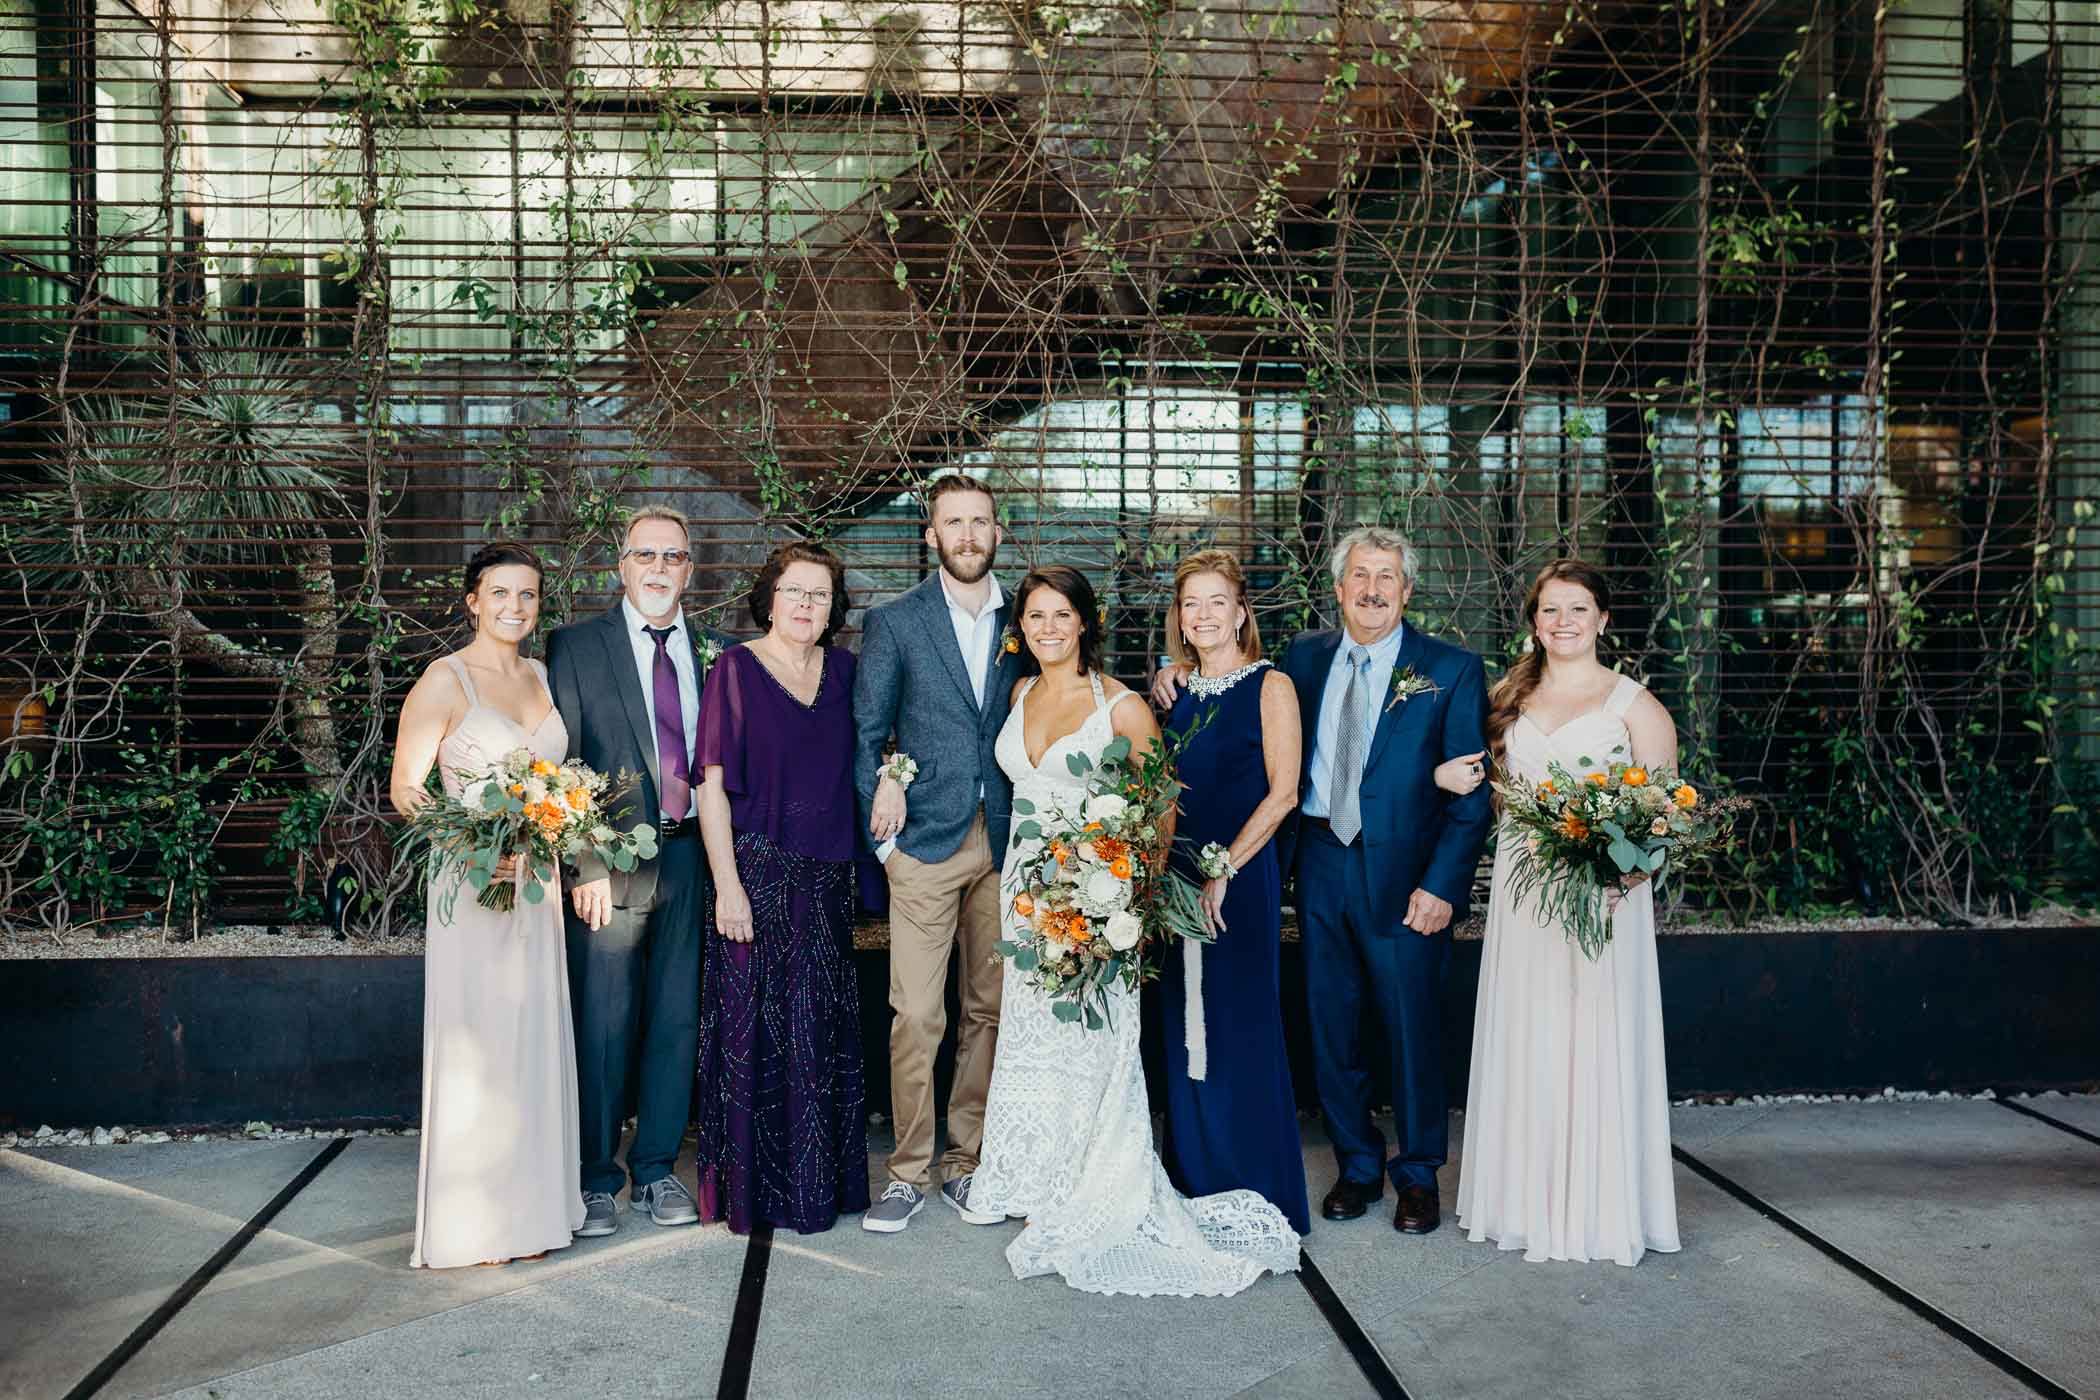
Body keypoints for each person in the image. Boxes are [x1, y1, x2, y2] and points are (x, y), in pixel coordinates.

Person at [972, 565, 1300, 1297]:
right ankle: (1032, 1174)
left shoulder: (1121, 706)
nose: (1048, 628)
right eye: (1035, 617)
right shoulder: (1021, 692)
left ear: (1085, 622)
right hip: (1024, 889)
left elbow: (1161, 804)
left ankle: (1094, 1183)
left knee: (1092, 1036)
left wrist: (1127, 898)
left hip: (1095, 891)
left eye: (1062, 615)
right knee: (1031, 1027)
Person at [1154, 524, 1491, 1237]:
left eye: (1386, 578)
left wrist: (1443, 886)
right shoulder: (1304, 660)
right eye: (1359, 578)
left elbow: (1471, 791)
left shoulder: (1452, 669)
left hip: (1406, 874)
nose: (1371, 591)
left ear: (1406, 589)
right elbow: (1232, 695)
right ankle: (1358, 1166)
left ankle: (1418, 1172)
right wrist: (1168, 669)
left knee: (1409, 1025)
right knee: (1329, 1022)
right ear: (1339, 589)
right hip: (1318, 860)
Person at [1451, 560, 1682, 1266]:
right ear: (1534, 620)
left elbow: (1666, 811)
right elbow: (1483, 786)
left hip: (1604, 895)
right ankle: (1523, 1200)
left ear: (1603, 619)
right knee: (1532, 1030)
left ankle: (1600, 1208)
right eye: (1550, 610)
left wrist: (1627, 875)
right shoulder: (1507, 699)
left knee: (1595, 1033)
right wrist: (1445, 777)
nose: (1562, 622)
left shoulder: (1635, 705)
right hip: (1526, 895)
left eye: (1576, 609)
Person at [389, 542, 582, 1268]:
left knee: (531, 1036)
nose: (514, 607)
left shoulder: (539, 674)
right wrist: (472, 843)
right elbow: (406, 788)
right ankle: (473, 1227)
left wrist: (563, 820)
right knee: (481, 1044)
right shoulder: (444, 681)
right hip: (473, 883)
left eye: (528, 595)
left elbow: (554, 777)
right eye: (500, 594)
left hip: (534, 882)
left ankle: (533, 1215)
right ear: (472, 601)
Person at [545, 505, 722, 1236]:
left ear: (690, 570)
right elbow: (560, 764)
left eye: (672, 557)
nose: (658, 568)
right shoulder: (575, 647)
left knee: (676, 1021)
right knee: (605, 1023)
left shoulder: (716, 652)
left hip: (691, 859)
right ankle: (595, 1179)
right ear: (620, 565)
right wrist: (581, 861)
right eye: (644, 555)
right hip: (608, 868)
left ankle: (654, 1171)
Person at [850, 474, 1019, 1232]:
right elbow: (866, 733)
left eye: (980, 522)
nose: (968, 535)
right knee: (917, 1013)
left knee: (988, 1009)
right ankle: (907, 1171)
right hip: (922, 841)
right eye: (954, 523)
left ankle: (967, 1161)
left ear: (998, 532)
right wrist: (884, 844)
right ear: (932, 536)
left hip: (1010, 839)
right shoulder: (896, 622)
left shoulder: (1030, 617)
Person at [693, 542, 870, 1234]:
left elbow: (879, 749)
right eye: (794, 592)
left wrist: (892, 775)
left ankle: (816, 1190)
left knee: (819, 1032)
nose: (805, 605)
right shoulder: (734, 670)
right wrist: (727, 888)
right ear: (768, 599)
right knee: (755, 1031)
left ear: (835, 607)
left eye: (820, 595)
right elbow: (710, 789)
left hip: (826, 880)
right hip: (756, 875)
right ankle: (755, 1194)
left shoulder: (849, 673)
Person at [1157, 550, 1310, 1236]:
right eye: (1193, 603)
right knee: (1184, 1028)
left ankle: (1256, 1182)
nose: (1206, 614)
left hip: (1238, 882)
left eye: (1219, 601)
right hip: (1174, 881)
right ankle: (1197, 1177)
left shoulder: (1270, 685)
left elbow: (1284, 793)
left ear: (1241, 611)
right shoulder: (1176, 693)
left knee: (1237, 1024)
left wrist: (1226, 869)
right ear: (1180, 619)